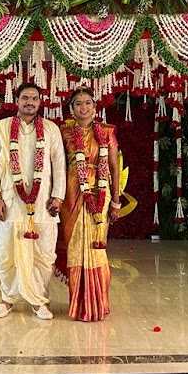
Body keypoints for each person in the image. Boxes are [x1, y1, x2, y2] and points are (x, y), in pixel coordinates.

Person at [0, 83, 66, 320]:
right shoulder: (2, 128)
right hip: (10, 202)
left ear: (40, 102)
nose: (30, 102)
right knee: (6, 252)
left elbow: (59, 164)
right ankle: (7, 299)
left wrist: (58, 196)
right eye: (25, 97)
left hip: (43, 203)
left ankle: (39, 301)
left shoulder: (51, 129)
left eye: (34, 98)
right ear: (17, 101)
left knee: (44, 254)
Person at [55, 87, 121, 322]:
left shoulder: (107, 131)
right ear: (72, 110)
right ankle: (78, 304)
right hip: (73, 193)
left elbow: (114, 169)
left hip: (100, 193)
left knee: (97, 247)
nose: (84, 107)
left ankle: (99, 302)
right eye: (78, 103)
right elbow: (57, 166)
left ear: (95, 107)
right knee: (75, 247)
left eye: (88, 103)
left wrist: (116, 200)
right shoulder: (64, 132)